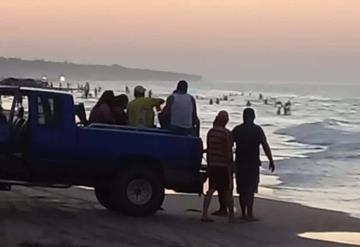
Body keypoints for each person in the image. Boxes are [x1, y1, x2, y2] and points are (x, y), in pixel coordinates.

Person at [232, 108, 275, 221]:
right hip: (252, 163)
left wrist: (229, 161)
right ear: (254, 117)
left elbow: (229, 145)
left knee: (241, 188)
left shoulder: (237, 129)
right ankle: (249, 214)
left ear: (243, 117)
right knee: (250, 188)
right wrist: (270, 159)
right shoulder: (257, 130)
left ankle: (243, 213)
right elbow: (265, 145)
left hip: (240, 162)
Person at [202, 111, 235, 223]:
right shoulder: (226, 133)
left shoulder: (211, 132)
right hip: (223, 165)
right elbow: (228, 150)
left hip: (213, 164)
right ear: (226, 121)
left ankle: (204, 214)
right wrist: (231, 164)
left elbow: (209, 148)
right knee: (228, 190)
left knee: (211, 189)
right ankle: (231, 216)